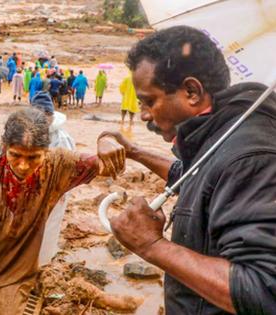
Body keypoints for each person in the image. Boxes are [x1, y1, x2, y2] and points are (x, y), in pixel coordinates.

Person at [103, 25, 276, 315]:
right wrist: (135, 152)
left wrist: (152, 246)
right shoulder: (221, 134)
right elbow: (194, 177)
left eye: (149, 100)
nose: (144, 114)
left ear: (192, 92)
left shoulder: (250, 159)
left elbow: (263, 289)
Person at [0, 80, 126, 314]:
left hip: (18, 264)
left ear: (45, 152)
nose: (23, 165)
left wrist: (106, 139)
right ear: (4, 144)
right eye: (15, 155)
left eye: (34, 158)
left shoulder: (59, 163)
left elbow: (107, 166)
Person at [30, 91, 75, 265]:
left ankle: (41, 266)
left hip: (54, 194)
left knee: (47, 231)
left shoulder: (61, 139)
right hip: (31, 193)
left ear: (50, 115)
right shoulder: (28, 133)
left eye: (45, 115)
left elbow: (69, 169)